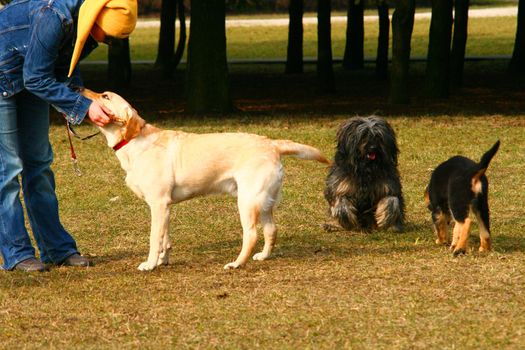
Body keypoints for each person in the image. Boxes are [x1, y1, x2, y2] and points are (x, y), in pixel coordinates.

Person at [0, 0, 137, 272]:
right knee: (8, 168)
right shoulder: (54, 16)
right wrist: (83, 107)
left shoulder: (82, 25)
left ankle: (56, 249)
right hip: (5, 77)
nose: (108, 42)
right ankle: (16, 253)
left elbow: (62, 69)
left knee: (39, 164)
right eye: (108, 36)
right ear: (96, 19)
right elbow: (36, 77)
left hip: (31, 79)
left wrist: (81, 97)